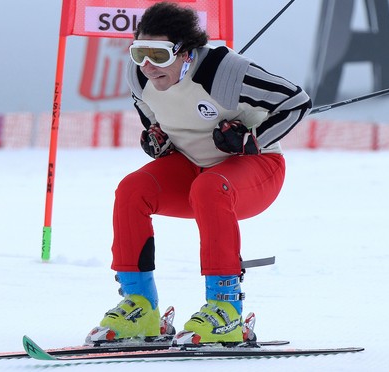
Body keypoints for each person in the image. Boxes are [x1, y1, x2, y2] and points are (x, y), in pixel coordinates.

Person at [88, 2, 312, 346]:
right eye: (139, 53)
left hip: (256, 170)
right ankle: (142, 307)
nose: (147, 66)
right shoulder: (139, 78)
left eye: (159, 55)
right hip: (194, 169)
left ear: (186, 51)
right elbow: (159, 128)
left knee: (210, 187)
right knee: (132, 189)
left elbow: (296, 101)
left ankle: (226, 310)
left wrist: (252, 139)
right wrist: (157, 142)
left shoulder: (225, 72)